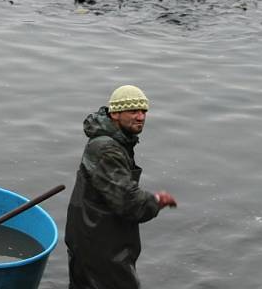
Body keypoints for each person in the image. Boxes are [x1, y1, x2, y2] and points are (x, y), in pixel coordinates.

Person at [65, 85, 178, 289]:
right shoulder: (107, 149)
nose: (141, 117)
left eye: (144, 111)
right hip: (100, 244)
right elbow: (128, 202)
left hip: (89, 234)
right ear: (115, 113)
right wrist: (157, 201)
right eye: (133, 111)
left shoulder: (116, 142)